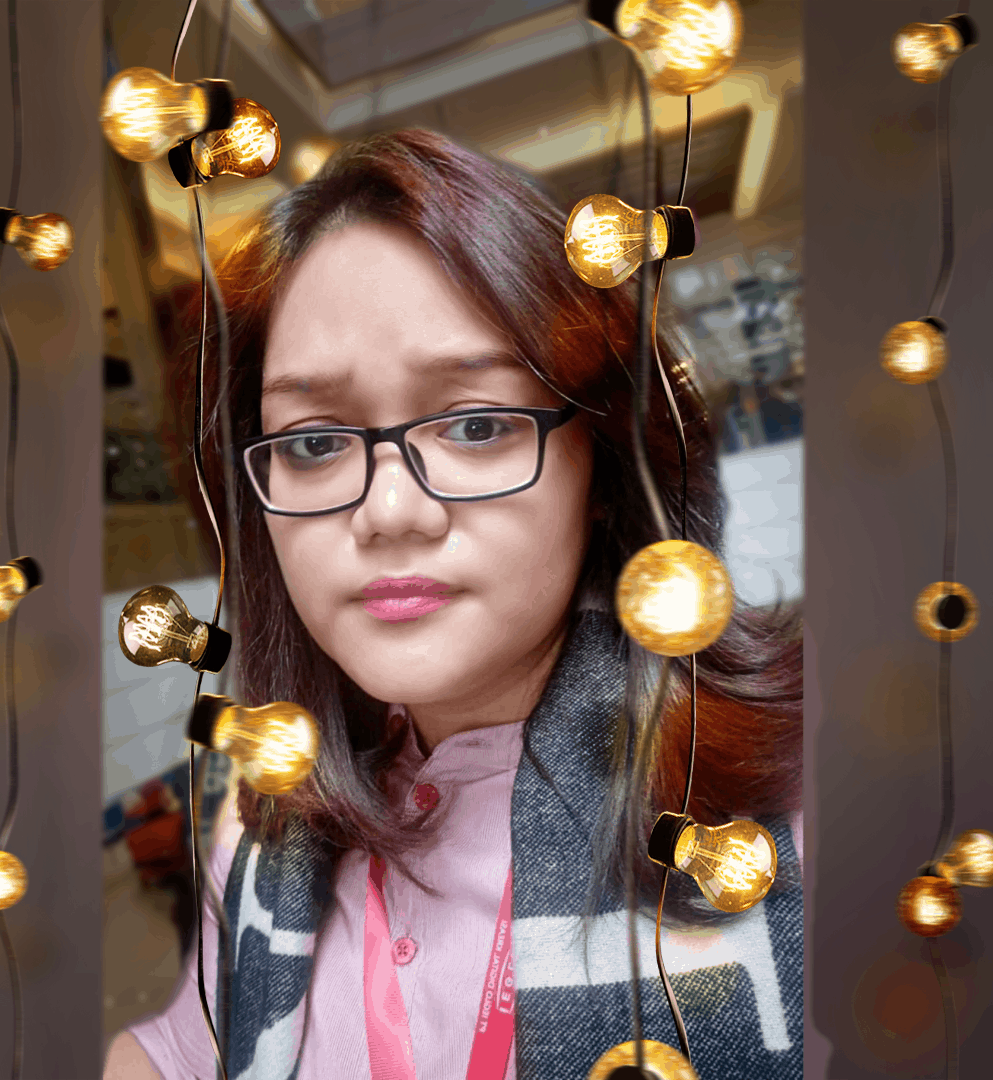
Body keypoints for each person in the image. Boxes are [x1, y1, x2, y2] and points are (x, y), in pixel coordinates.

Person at [103, 129, 802, 1080]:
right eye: (313, 442)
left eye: (475, 425)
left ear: (601, 461)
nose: (390, 512)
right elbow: (183, 1050)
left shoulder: (779, 813)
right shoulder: (268, 821)